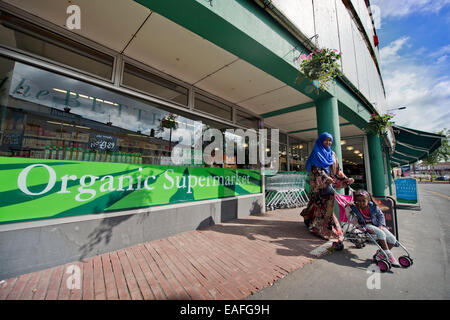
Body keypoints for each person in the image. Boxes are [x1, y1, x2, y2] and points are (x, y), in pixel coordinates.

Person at [300, 132, 354, 243]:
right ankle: (324, 230)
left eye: (330, 141)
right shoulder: (316, 152)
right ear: (321, 140)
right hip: (318, 186)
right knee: (322, 207)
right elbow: (316, 169)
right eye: (326, 140)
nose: (328, 142)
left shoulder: (332, 154)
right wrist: (325, 177)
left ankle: (311, 221)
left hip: (330, 185)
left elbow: (337, 170)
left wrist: (346, 179)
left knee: (321, 206)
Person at [346, 189, 401, 267]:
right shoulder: (355, 207)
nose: (361, 203)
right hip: (366, 225)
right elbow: (347, 210)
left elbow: (380, 215)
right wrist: (349, 205)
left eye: (363, 201)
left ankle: (380, 254)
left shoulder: (373, 206)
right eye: (359, 201)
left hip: (376, 225)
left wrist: (381, 225)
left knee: (392, 239)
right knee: (381, 233)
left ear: (368, 200)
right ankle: (389, 255)